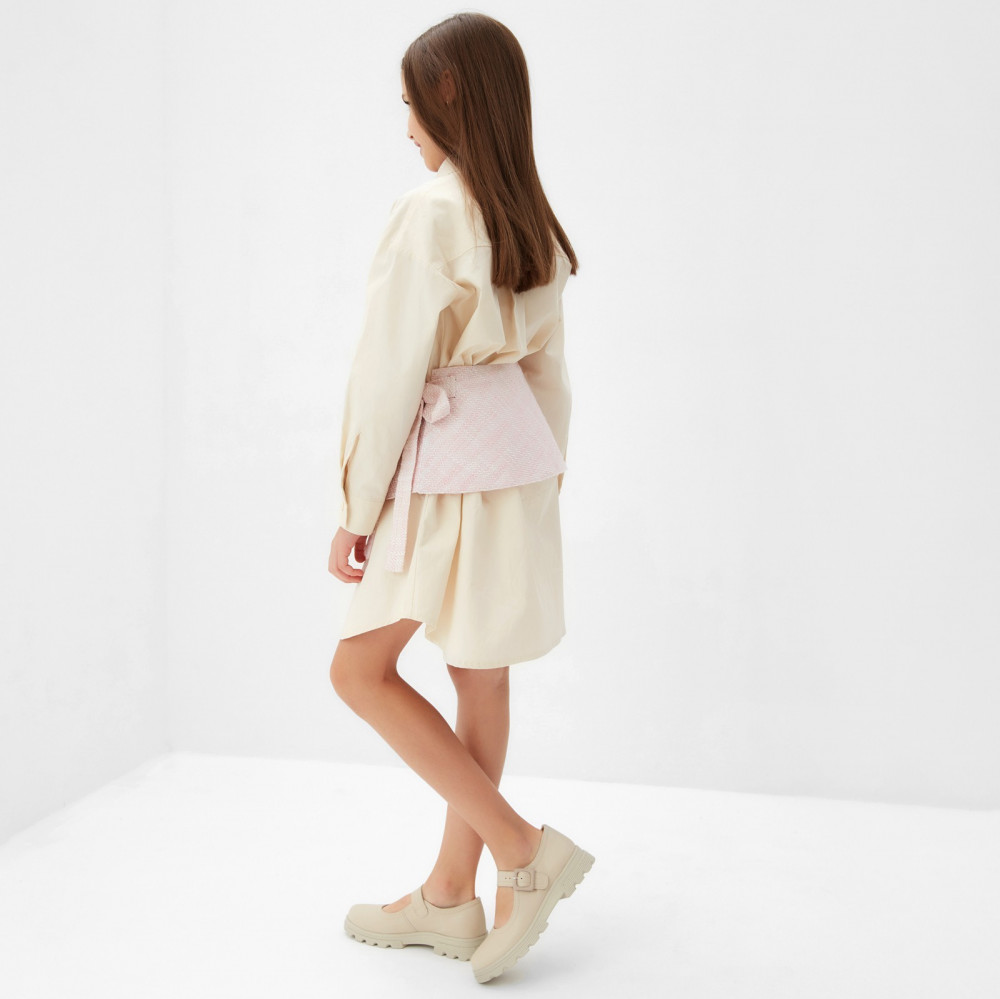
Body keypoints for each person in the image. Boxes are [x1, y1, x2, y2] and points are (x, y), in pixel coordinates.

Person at [327, 12, 594, 984]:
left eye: (409, 103)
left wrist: (356, 506)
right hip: (516, 466)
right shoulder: (531, 217)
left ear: (447, 97)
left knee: (358, 672)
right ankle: (448, 896)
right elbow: (550, 374)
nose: (404, 125)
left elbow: (388, 372)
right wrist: (543, 477)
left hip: (444, 473)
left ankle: (522, 853)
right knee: (481, 678)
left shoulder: (431, 212)